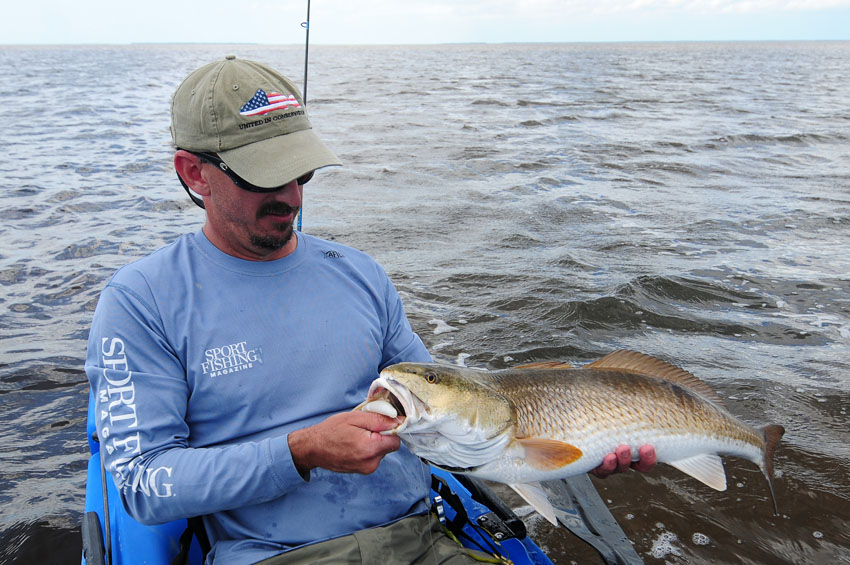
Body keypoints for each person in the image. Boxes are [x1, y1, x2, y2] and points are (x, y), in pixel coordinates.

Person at [85, 56, 655, 565]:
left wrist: (579, 447)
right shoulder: (141, 302)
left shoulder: (359, 273)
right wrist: (302, 451)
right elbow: (142, 484)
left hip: (423, 538)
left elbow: (449, 416)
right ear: (193, 174)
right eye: (262, 176)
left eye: (300, 171)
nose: (292, 196)